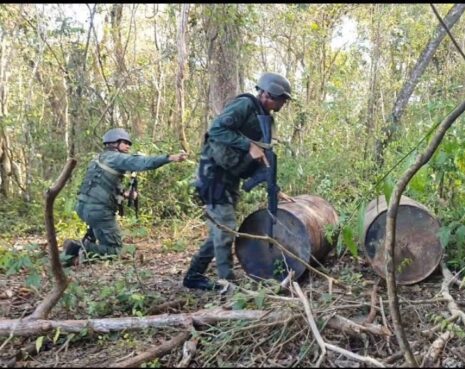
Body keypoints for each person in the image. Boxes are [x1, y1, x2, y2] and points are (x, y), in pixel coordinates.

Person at [183, 72, 293, 291]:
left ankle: (194, 275)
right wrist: (246, 145)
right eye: (281, 99)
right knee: (226, 228)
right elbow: (216, 129)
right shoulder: (244, 105)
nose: (283, 103)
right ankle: (227, 283)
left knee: (221, 229)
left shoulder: (265, 119)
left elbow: (262, 156)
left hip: (229, 177)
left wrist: (274, 188)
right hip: (213, 175)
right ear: (268, 94)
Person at [62, 128, 188, 266]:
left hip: (83, 207)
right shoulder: (117, 158)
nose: (128, 146)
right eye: (125, 142)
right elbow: (143, 162)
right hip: (98, 211)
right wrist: (170, 157)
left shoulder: (99, 159)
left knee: (103, 241)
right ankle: (77, 247)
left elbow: (101, 185)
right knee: (114, 250)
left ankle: (72, 257)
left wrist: (125, 194)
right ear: (115, 143)